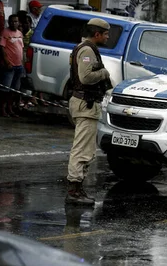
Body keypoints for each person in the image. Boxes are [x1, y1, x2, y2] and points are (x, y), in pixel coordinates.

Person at [66, 18, 112, 205]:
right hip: (86, 104)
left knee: (86, 149)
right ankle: (74, 190)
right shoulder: (86, 50)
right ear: (97, 34)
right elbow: (86, 77)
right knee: (82, 149)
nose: (108, 37)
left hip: (86, 104)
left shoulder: (85, 48)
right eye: (106, 34)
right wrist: (104, 73)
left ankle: (78, 188)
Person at [0, 14, 24, 117]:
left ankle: (10, 108)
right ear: (9, 22)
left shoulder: (19, 33)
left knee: (14, 90)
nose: (14, 23)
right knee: (5, 89)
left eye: (16, 21)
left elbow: (22, 48)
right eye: (12, 21)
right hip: (10, 66)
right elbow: (2, 48)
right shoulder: (5, 32)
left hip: (19, 65)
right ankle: (2, 109)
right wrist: (7, 62)